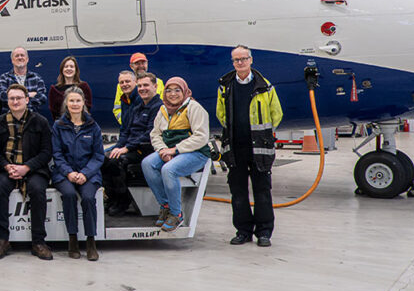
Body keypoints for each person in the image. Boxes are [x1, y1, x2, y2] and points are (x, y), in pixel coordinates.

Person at [217, 45, 283, 248]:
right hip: (235, 147)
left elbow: (276, 115)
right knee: (238, 192)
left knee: (262, 191)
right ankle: (243, 231)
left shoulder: (265, 87)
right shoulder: (225, 86)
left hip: (259, 148)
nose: (240, 63)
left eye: (243, 59)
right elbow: (221, 114)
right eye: (236, 60)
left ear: (251, 60)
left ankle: (264, 232)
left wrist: (261, 134)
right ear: (233, 62)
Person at [0, 84, 53, 260]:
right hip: (7, 169)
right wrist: (6, 166)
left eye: (18, 98)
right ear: (7, 101)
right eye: (11, 98)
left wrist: (27, 167)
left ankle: (38, 242)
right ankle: (2, 240)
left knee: (38, 190)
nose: (15, 101)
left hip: (34, 169)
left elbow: (47, 152)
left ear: (26, 100)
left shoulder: (41, 122)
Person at [142, 77, 212, 233]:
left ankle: (176, 214)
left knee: (169, 170)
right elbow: (155, 134)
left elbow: (201, 136)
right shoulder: (163, 110)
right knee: (147, 164)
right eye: (169, 90)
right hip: (170, 150)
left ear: (184, 91)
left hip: (195, 152)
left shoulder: (193, 107)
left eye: (177, 90)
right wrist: (162, 150)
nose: (172, 94)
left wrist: (175, 150)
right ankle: (166, 205)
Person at [51, 87, 104, 261]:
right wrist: (69, 173)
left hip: (88, 174)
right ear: (66, 103)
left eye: (78, 101)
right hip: (64, 173)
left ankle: (91, 242)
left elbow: (98, 156)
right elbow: (57, 155)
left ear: (84, 103)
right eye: (71, 101)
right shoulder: (59, 126)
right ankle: (72, 239)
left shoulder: (93, 126)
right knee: (69, 195)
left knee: (89, 198)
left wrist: (85, 174)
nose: (74, 104)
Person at [102, 71, 163, 216]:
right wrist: (118, 147)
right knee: (104, 159)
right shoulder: (137, 108)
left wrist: (126, 148)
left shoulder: (158, 108)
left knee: (117, 162)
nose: (142, 88)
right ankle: (112, 199)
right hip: (132, 146)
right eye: (140, 85)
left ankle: (123, 202)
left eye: (145, 85)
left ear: (155, 86)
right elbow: (126, 132)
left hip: (146, 149)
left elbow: (149, 135)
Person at [113, 53, 164, 125]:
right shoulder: (122, 85)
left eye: (143, 63)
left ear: (147, 64)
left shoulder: (158, 82)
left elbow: (162, 106)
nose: (141, 66)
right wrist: (126, 122)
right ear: (131, 66)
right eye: (137, 63)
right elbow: (117, 108)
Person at [0, 47, 46, 115]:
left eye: (22, 55)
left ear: (27, 59)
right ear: (12, 60)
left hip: (32, 118)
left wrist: (15, 99)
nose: (20, 57)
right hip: (10, 119)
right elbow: (3, 97)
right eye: (17, 56)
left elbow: (42, 98)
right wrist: (29, 95)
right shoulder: (5, 78)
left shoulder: (36, 77)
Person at [48, 56, 93, 121]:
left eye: (71, 67)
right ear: (62, 70)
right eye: (66, 66)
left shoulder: (84, 87)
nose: (69, 69)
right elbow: (53, 111)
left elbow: (88, 107)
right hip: (61, 125)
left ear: (76, 70)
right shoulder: (54, 90)